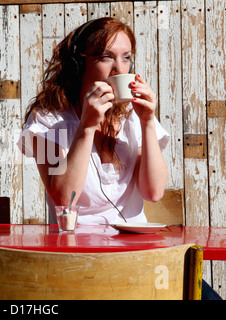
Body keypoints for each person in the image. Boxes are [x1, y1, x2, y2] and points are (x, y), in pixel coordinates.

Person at [17, 17, 222, 300]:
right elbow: (65, 198)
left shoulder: (132, 118)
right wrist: (86, 126)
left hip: (138, 255)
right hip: (78, 262)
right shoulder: (47, 120)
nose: (119, 69)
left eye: (126, 58)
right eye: (106, 57)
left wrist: (148, 121)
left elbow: (153, 192)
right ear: (80, 64)